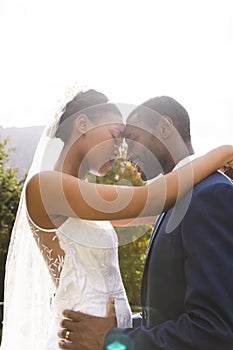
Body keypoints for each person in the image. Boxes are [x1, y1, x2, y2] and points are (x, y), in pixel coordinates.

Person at [1, 92, 233, 350]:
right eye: (115, 136)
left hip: (108, 338)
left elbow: (160, 206)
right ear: (83, 125)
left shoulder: (86, 202)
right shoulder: (45, 186)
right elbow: (150, 197)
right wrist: (224, 152)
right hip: (81, 338)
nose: (121, 150)